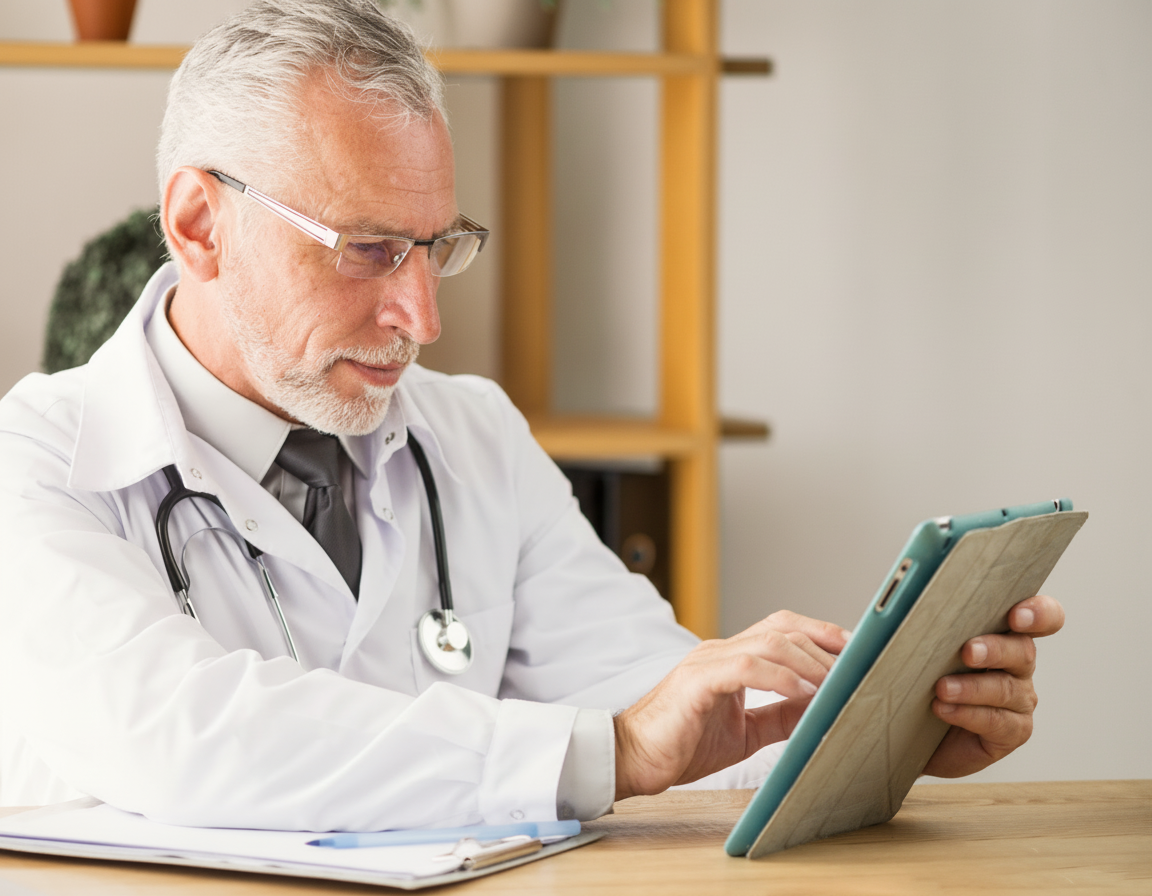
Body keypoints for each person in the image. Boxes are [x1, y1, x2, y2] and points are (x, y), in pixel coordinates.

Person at [0, 0, 1063, 831]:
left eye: (438, 247)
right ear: (200, 224)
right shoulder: (39, 464)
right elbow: (185, 736)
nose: (424, 316)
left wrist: (878, 731)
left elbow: (659, 699)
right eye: (370, 249)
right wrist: (610, 750)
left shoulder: (469, 435)